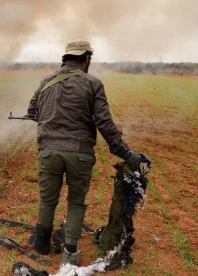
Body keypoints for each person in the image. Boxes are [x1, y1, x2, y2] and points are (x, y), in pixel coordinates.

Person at [25, 40, 140, 265]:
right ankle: (70, 252)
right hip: (80, 153)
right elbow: (105, 124)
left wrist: (52, 120)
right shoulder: (93, 83)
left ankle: (42, 243)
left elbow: (32, 112)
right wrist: (127, 153)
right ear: (86, 58)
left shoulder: (46, 82)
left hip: (49, 152)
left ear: (65, 58)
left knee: (48, 199)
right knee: (76, 202)